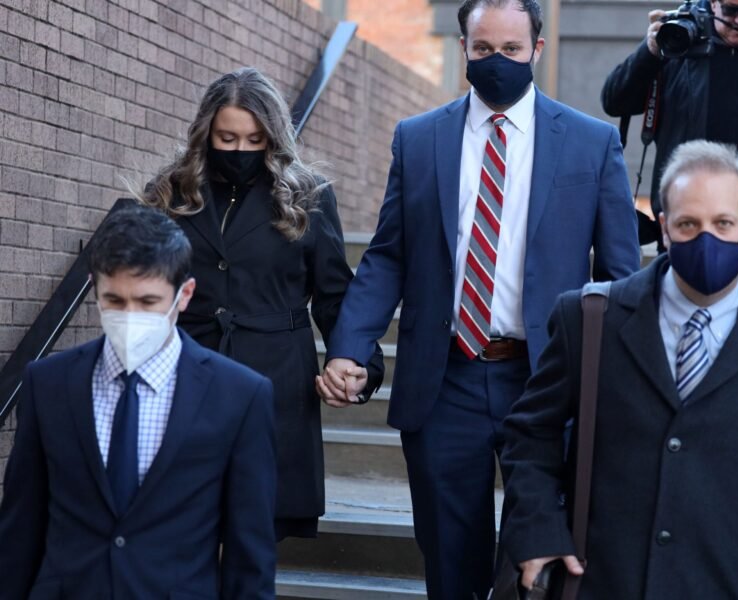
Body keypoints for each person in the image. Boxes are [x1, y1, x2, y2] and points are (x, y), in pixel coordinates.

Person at [320, 1, 640, 596]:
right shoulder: (418, 139)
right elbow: (389, 255)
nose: (498, 61)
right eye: (484, 48)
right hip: (445, 380)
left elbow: (621, 276)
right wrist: (349, 346)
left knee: (540, 560)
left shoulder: (591, 143)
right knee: (450, 561)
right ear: (463, 46)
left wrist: (617, 384)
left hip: (548, 379)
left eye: (511, 49)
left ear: (536, 49)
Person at [501, 140, 738, 598]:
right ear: (665, 228)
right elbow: (530, 433)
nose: (707, 239)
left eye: (723, 223)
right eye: (689, 224)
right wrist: (538, 531)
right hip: (602, 585)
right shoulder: (589, 320)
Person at [141, 67, 384, 540]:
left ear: (274, 137)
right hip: (185, 372)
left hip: (276, 381)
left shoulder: (308, 195)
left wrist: (357, 363)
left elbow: (334, 296)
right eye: (227, 138)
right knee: (182, 527)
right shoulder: (169, 191)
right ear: (206, 133)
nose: (240, 151)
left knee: (256, 535)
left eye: (255, 140)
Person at [0, 206, 276, 599]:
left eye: (148, 302)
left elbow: (249, 554)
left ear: (184, 295)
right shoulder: (47, 383)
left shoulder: (239, 395)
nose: (130, 316)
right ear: (95, 288)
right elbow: (19, 528)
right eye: (114, 300)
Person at [602, 0, 738, 247]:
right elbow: (615, 102)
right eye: (731, 10)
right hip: (686, 221)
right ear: (713, 4)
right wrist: (649, 52)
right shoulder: (676, 49)